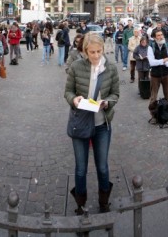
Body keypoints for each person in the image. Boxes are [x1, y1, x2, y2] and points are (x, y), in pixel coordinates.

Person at [64, 33, 120, 214]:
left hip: (102, 123)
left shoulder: (110, 68)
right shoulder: (76, 66)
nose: (96, 55)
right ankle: (81, 204)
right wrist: (74, 100)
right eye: (91, 52)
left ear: (103, 49)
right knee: (80, 168)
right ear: (85, 51)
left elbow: (115, 94)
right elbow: (68, 92)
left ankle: (104, 202)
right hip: (81, 122)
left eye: (99, 51)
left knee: (102, 167)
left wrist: (107, 102)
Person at [147, 28, 168, 122]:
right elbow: (151, 62)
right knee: (153, 97)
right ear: (154, 38)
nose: (160, 37)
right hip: (155, 75)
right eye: (158, 35)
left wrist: (162, 62)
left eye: (161, 35)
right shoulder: (151, 47)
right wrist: (163, 60)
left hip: (166, 74)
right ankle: (154, 115)